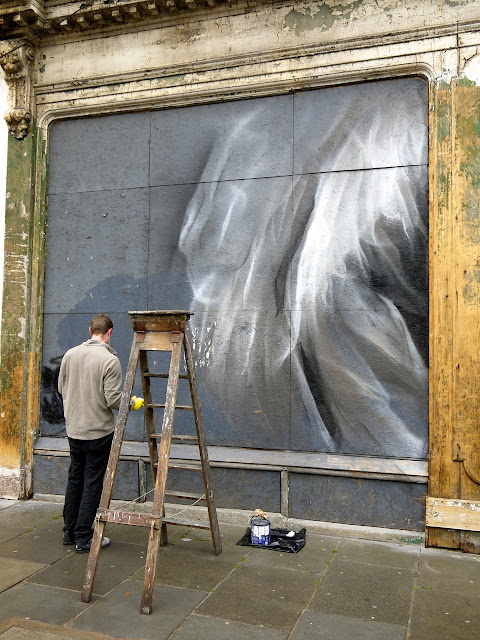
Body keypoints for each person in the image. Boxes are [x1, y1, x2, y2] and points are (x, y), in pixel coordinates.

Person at [58, 313, 123, 554]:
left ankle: (69, 531)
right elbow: (113, 399)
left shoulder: (70, 355)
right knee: (93, 483)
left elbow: (60, 388)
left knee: (75, 478)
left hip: (74, 429)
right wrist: (133, 402)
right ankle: (84, 538)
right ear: (109, 332)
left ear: (89, 330)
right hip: (99, 432)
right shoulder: (109, 360)